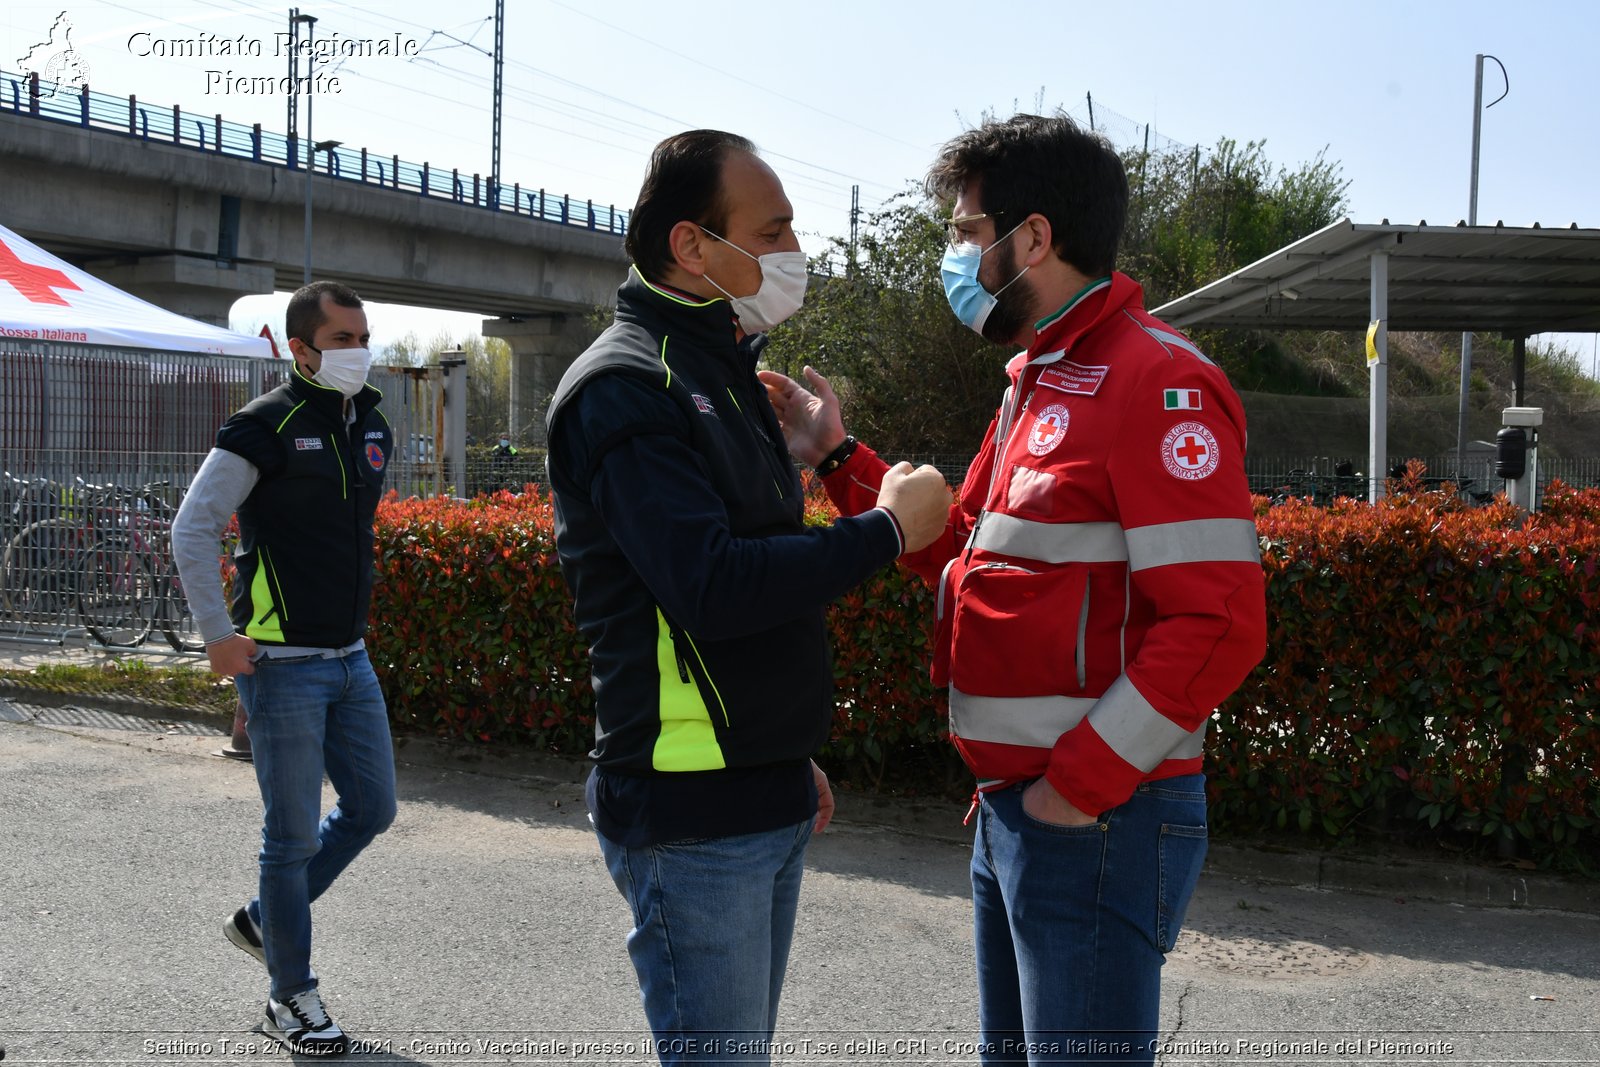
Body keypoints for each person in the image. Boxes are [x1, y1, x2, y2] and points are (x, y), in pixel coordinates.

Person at [760, 114, 1268, 1065]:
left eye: (964, 234)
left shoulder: (1156, 383)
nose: (955, 257)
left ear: (1031, 237)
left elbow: (1220, 621)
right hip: (1018, 810)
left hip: (1095, 815)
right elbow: (960, 546)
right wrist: (834, 455)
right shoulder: (1040, 377)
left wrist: (1076, 790)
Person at [544, 129, 951, 1064]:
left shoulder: (719, 366)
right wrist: (886, 530)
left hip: (759, 790)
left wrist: (780, 751)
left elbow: (758, 559)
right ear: (692, 245)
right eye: (772, 231)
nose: (792, 252)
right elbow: (714, 587)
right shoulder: (625, 384)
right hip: (689, 813)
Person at [171, 280, 395, 1057]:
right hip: (281, 665)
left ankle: (268, 919)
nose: (359, 350)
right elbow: (193, 528)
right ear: (301, 349)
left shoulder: (370, 421)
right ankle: (289, 995)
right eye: (343, 339)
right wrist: (217, 636)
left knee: (373, 808)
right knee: (290, 837)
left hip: (351, 658)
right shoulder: (262, 426)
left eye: (364, 335)